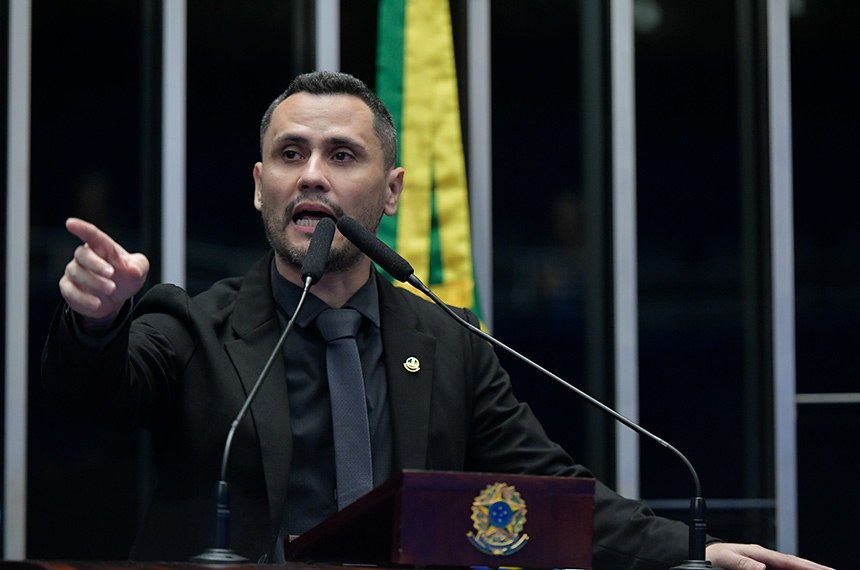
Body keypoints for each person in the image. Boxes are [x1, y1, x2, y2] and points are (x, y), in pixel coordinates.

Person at [42, 71, 831, 570]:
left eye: (341, 155)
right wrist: (98, 323)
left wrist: (698, 552)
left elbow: (549, 495)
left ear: (391, 191)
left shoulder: (447, 343)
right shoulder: (194, 326)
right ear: (259, 185)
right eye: (289, 154)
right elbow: (93, 397)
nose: (311, 175)